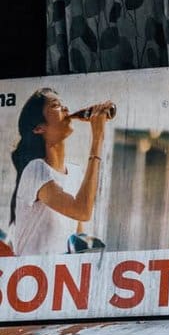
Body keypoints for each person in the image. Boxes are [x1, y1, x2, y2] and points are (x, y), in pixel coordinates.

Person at [8, 90, 112, 257]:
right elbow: (82, 210)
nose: (66, 109)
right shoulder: (36, 170)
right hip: (30, 277)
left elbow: (77, 237)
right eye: (56, 105)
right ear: (38, 128)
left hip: (58, 276)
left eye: (63, 104)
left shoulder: (75, 172)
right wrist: (97, 137)